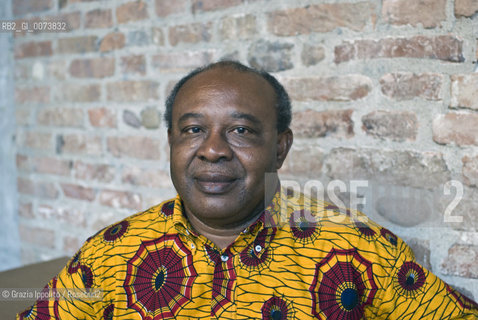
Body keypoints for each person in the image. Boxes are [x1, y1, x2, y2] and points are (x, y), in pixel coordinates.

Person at [18, 61, 478, 319]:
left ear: (280, 149)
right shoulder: (109, 255)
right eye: (193, 129)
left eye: (240, 130)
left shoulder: (359, 249)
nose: (213, 150)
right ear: (172, 144)